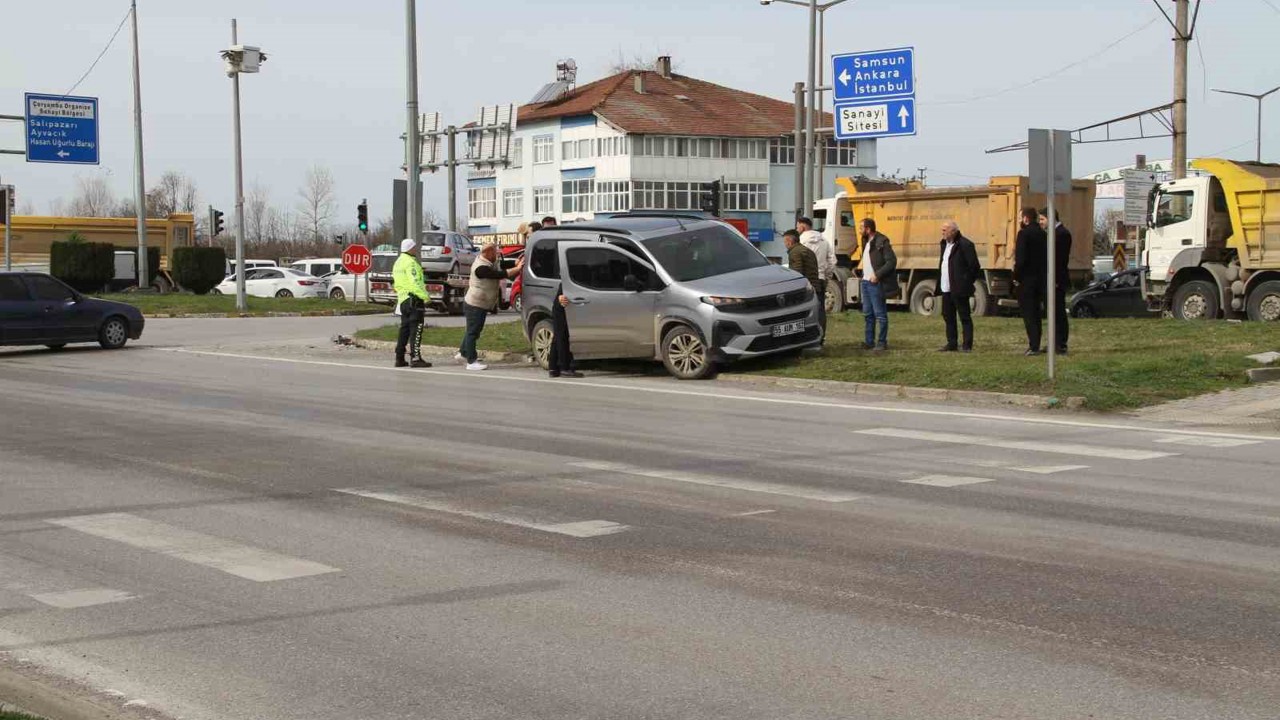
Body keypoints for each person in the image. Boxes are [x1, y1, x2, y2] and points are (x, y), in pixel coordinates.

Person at [456, 243, 522, 371]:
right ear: (487, 252)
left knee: (472, 330)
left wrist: (515, 262)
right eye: (494, 252)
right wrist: (517, 269)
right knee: (473, 332)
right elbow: (499, 274)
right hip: (475, 304)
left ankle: (463, 353)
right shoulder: (481, 268)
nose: (496, 255)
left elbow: (501, 265)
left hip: (479, 303)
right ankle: (471, 361)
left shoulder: (488, 261)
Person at [937, 220, 982, 353]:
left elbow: (974, 267)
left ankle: (967, 345)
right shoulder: (944, 244)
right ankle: (952, 343)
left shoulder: (965, 245)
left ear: (953, 231)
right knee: (948, 316)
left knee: (964, 316)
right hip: (946, 287)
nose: (942, 232)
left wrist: (965, 281)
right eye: (942, 230)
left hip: (959, 288)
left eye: (945, 230)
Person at [1014, 207, 1049, 356]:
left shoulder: (1023, 234)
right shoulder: (1043, 234)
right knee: (1036, 313)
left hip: (1027, 280)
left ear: (1026, 218)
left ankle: (1033, 345)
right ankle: (1037, 343)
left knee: (1028, 314)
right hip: (1040, 279)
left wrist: (1016, 277)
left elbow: (1021, 259)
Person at [392, 237, 432, 368]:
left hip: (403, 300)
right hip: (414, 299)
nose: (416, 249)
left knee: (404, 329)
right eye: (414, 247)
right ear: (410, 248)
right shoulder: (411, 263)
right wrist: (425, 297)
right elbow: (415, 282)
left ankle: (399, 358)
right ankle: (415, 358)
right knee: (416, 329)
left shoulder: (398, 262)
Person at [860, 218, 897, 352]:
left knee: (880, 314)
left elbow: (891, 262)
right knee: (868, 314)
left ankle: (882, 342)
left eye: (861, 228)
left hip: (876, 283)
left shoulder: (882, 241)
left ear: (868, 229)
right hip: (865, 282)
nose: (859, 231)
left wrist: (878, 275)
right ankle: (869, 341)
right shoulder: (866, 241)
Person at [1040, 208, 1073, 355]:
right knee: (1051, 311)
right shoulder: (1052, 233)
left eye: (1042, 219)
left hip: (1057, 279)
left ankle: (1060, 344)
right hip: (1051, 277)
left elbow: (1059, 260)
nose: (1041, 223)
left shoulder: (1062, 234)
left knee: (1058, 312)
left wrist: (1055, 280)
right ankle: (1054, 342)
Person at [797, 216, 836, 342]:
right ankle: (821, 337)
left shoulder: (800, 241)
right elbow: (832, 261)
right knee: (820, 310)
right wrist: (827, 275)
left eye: (798, 227)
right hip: (821, 279)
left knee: (803, 309)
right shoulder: (824, 240)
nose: (797, 229)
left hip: (806, 279)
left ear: (802, 227)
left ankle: (805, 338)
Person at [548, 284, 583, 378]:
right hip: (563, 304)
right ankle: (564, 368)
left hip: (562, 302)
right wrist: (560, 295)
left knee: (558, 336)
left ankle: (553, 368)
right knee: (562, 336)